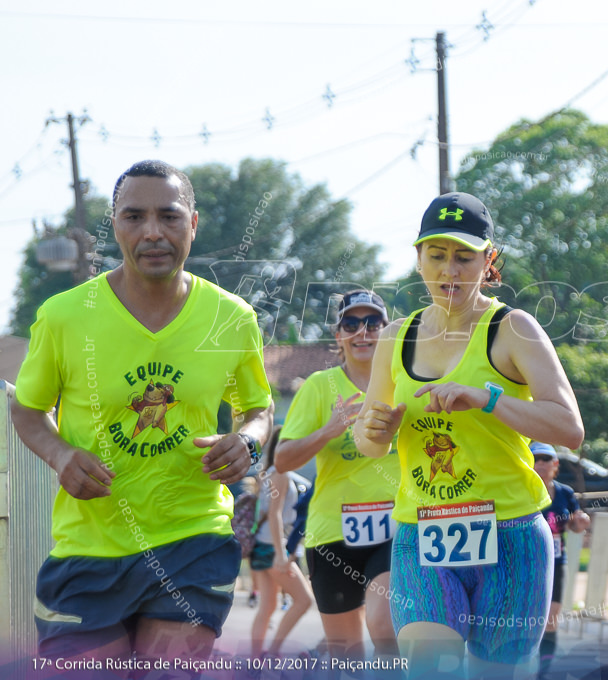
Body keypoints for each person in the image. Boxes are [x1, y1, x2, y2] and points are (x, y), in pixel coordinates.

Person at [11, 159, 273, 666]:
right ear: (116, 227)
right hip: (89, 548)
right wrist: (60, 454)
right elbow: (26, 409)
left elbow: (257, 409)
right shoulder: (64, 316)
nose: (153, 232)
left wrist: (248, 443)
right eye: (134, 217)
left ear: (192, 225)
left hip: (191, 540)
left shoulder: (232, 319)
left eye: (169, 216)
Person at [353, 192, 584, 677]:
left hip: (513, 533)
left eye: (464, 257)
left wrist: (488, 398)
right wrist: (375, 429)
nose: (450, 271)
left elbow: (569, 428)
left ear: (488, 260)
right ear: (418, 260)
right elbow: (368, 442)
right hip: (422, 532)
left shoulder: (513, 329)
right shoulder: (396, 337)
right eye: (437, 256)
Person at [275, 289, 401, 659]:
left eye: (372, 323)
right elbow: (281, 460)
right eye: (351, 323)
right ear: (338, 335)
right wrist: (328, 431)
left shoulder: (402, 382)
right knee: (347, 656)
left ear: (386, 330)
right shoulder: (319, 387)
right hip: (332, 536)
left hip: (396, 530)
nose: (362, 332)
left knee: (385, 627)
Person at [249, 427, 315, 657]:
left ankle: (256, 659)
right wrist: (281, 553)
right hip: (271, 547)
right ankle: (273, 651)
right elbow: (276, 514)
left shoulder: (270, 472)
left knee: (267, 607)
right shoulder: (281, 473)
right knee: (304, 600)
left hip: (262, 544)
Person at [530, 441, 589, 671]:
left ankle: (543, 669)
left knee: (552, 617)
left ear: (556, 465)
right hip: (528, 561)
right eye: (537, 459)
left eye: (547, 459)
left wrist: (580, 522)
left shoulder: (565, 492)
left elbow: (575, 523)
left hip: (555, 561)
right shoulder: (523, 490)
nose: (542, 464)